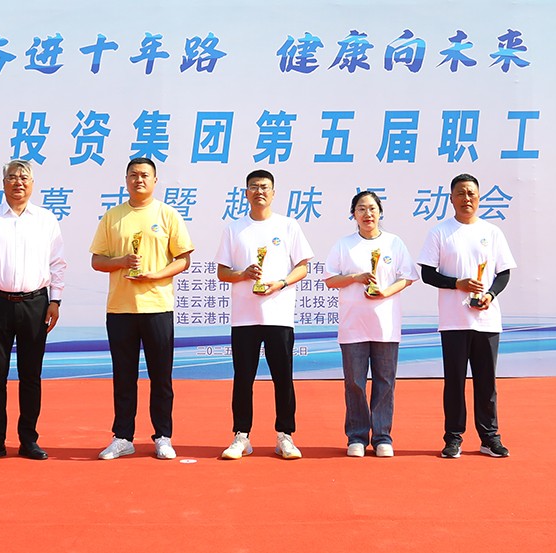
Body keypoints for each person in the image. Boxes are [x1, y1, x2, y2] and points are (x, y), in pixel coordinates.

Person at [90, 157, 194, 460]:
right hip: (120, 309)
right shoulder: (113, 217)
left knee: (161, 377)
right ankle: (123, 437)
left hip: (157, 306)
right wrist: (121, 262)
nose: (139, 180)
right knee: (124, 377)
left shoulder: (167, 214)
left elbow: (183, 259)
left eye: (145, 175)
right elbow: (97, 260)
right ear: (126, 180)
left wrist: (156, 275)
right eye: (133, 175)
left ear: (155, 180)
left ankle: (163, 436)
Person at [0, 159, 66, 462]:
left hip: (35, 304)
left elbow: (57, 263)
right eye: (12, 177)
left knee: (31, 375)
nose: (18, 182)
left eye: (24, 177)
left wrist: (55, 300)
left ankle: (28, 440)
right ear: (3, 183)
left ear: (32, 184)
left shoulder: (46, 219)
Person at [215, 169, 314, 460]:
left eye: (265, 187)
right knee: (243, 378)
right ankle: (241, 436)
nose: (259, 191)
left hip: (278, 315)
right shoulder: (234, 229)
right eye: (254, 187)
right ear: (246, 193)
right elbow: (222, 272)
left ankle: (285, 436)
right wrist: (243, 274)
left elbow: (302, 267)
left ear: (273, 193)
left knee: (283, 377)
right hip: (245, 317)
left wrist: (280, 283)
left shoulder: (288, 225)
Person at [417, 173, 516, 459]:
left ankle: (490, 437)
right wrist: (456, 284)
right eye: (460, 193)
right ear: (451, 198)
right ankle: (453, 437)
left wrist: (490, 295)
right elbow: (427, 274)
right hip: (453, 321)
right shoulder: (440, 232)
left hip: (486, 320)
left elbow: (503, 273)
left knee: (486, 382)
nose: (466, 198)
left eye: (471, 193)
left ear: (479, 197)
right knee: (455, 382)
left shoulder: (492, 232)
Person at [324, 191, 418, 458]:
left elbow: (408, 277)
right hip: (353, 325)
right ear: (353, 214)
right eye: (361, 209)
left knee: (385, 381)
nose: (367, 214)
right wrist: (356, 277)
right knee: (354, 382)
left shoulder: (394, 243)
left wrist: (385, 292)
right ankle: (356, 436)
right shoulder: (344, 245)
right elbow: (330, 279)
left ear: (380, 212)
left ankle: (382, 437)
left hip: (385, 325)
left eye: (372, 208)